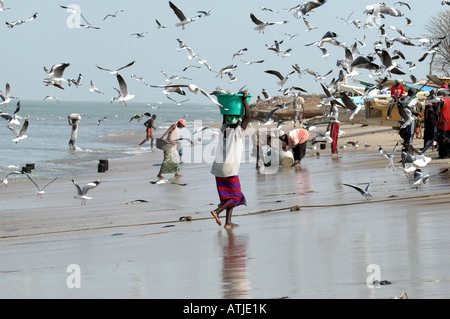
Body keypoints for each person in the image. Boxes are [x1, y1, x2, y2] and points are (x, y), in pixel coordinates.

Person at [210, 92, 251, 229]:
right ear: (237, 123)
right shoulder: (237, 132)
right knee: (236, 196)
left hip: (218, 169)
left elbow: (224, 115)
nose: (240, 121)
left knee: (228, 196)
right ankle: (217, 211)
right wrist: (244, 100)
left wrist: (223, 100)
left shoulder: (223, 129)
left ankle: (228, 222)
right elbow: (248, 117)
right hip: (229, 170)